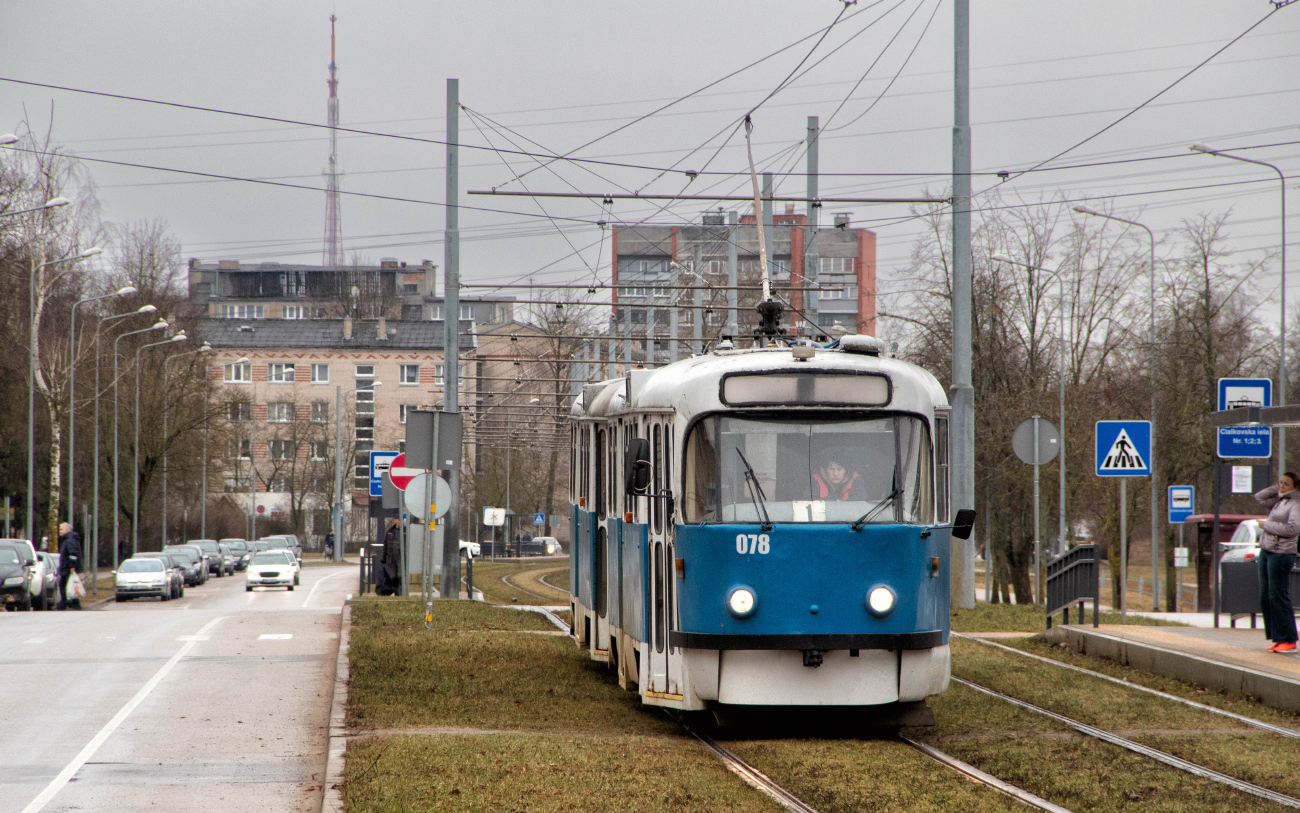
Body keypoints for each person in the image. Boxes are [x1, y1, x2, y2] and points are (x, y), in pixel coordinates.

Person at [1254, 472, 1300, 652]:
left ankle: (1288, 639)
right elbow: (1260, 497)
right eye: (1281, 483)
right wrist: (1278, 488)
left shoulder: (1296, 503)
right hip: (1267, 551)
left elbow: (1293, 528)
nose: (1282, 486)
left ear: (1296, 487)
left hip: (1281, 553)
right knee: (1266, 596)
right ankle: (1277, 637)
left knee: (1278, 595)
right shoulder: (1281, 501)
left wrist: (1266, 525)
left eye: (1286, 484)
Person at [55, 521, 83, 611]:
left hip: (68, 568)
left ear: (67, 529)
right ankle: (72, 603)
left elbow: (73, 553)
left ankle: (65, 603)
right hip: (66, 567)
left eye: (61, 529)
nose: (59, 531)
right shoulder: (68, 539)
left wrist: (72, 566)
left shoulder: (70, 540)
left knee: (65, 585)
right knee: (69, 585)